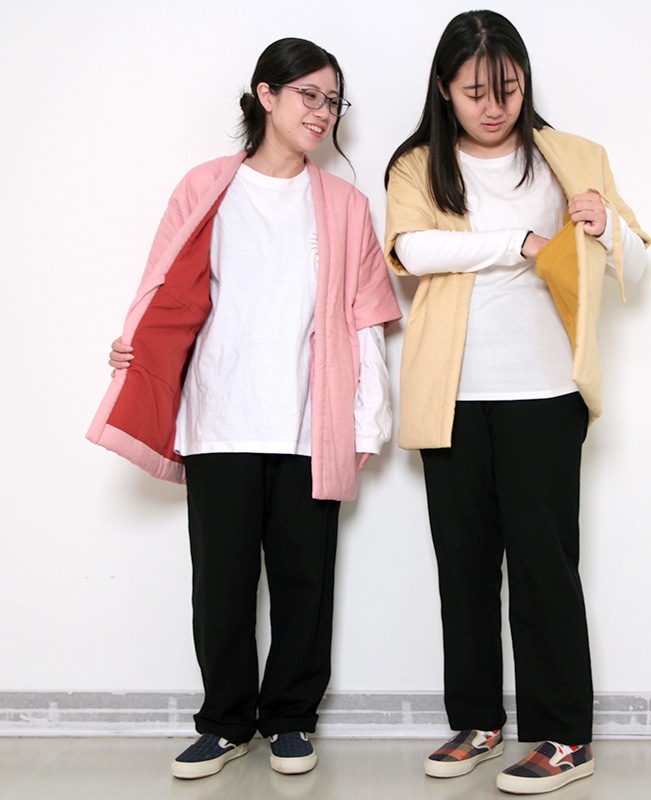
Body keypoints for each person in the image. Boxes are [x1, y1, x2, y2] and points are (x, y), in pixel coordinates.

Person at [87, 38, 400, 780]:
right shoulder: (206, 186)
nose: (322, 112)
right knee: (221, 584)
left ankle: (290, 719)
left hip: (309, 420)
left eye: (333, 101)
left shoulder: (346, 205)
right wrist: (134, 346)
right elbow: (163, 284)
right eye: (309, 95)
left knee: (304, 583)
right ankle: (224, 723)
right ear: (267, 94)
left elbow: (365, 320)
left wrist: (369, 418)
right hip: (219, 415)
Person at [384, 10, 649, 795]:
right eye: (474, 92)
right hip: (452, 394)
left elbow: (632, 260)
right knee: (464, 567)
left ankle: (565, 738)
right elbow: (410, 250)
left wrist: (605, 227)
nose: (493, 106)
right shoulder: (418, 165)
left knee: (544, 566)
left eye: (507, 88)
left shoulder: (572, 156)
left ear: (525, 80)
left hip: (545, 391)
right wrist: (519, 244)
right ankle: (478, 721)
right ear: (444, 89)